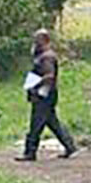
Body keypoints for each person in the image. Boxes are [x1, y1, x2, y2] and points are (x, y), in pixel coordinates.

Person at [17, 27, 75, 160]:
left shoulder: (47, 57)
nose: (35, 43)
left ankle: (30, 152)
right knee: (52, 122)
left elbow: (49, 76)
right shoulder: (43, 56)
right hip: (45, 94)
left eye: (37, 41)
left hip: (44, 94)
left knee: (36, 123)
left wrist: (35, 84)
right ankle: (69, 146)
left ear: (45, 40)